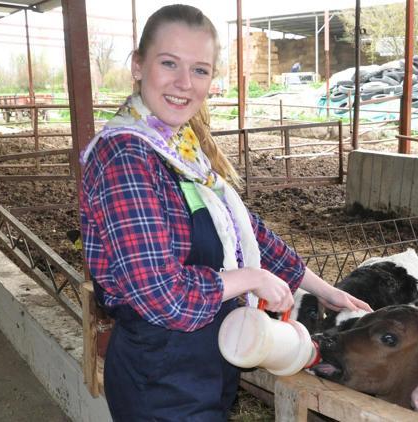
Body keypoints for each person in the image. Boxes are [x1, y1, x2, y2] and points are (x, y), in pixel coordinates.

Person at [78, 5, 371, 421]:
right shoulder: (126, 155)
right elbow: (162, 298)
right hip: (159, 379)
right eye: (169, 63)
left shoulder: (180, 149)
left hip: (205, 365)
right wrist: (251, 278)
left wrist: (327, 291)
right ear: (138, 65)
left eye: (200, 70)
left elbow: (244, 230)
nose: (184, 83)